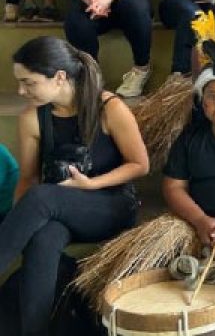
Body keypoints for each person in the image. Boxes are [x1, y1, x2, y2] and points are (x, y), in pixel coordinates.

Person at [73, 10, 215, 336]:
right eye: (213, 96)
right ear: (203, 101)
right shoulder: (190, 137)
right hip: (194, 221)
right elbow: (173, 186)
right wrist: (200, 221)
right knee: (147, 274)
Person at [0, 35, 148, 336]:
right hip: (58, 210)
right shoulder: (32, 118)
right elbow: (28, 178)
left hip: (111, 205)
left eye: (29, 83)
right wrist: (22, 225)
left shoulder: (109, 107)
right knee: (43, 238)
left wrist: (92, 184)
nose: (21, 91)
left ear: (59, 77)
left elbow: (139, 164)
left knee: (42, 198)